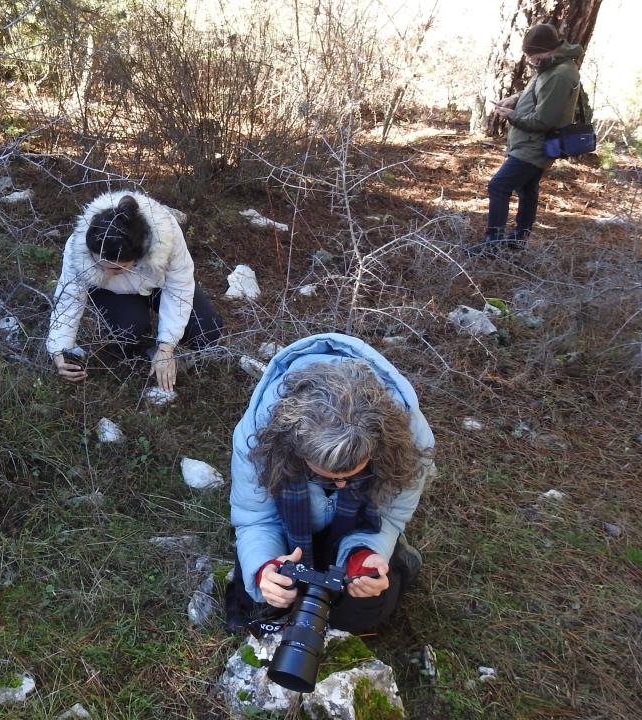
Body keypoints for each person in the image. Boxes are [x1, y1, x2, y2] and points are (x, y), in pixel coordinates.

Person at [226, 333, 435, 634]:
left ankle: (402, 560)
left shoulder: (412, 440)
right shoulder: (258, 434)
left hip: (359, 526)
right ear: (292, 445)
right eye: (322, 475)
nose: (339, 485)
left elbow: (390, 516)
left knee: (361, 613)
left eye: (352, 475)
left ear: (380, 444)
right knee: (261, 601)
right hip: (286, 528)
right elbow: (255, 518)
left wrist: (364, 556)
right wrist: (264, 569)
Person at [46, 191, 223, 392]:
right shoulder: (78, 246)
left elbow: (179, 287)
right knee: (128, 332)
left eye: (116, 269)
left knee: (207, 330)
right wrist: (59, 349)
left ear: (139, 254)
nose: (107, 272)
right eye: (99, 265)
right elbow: (69, 298)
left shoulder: (166, 234)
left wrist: (166, 347)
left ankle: (159, 341)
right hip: (112, 292)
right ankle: (133, 341)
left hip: (157, 284)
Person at [474, 22, 585, 255]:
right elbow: (536, 94)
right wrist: (514, 99)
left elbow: (543, 121)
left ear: (547, 49)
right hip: (529, 143)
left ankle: (492, 245)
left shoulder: (560, 74)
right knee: (527, 189)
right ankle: (517, 242)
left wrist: (511, 116)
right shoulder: (549, 66)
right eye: (528, 54)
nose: (530, 59)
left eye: (532, 54)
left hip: (535, 145)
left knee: (498, 186)